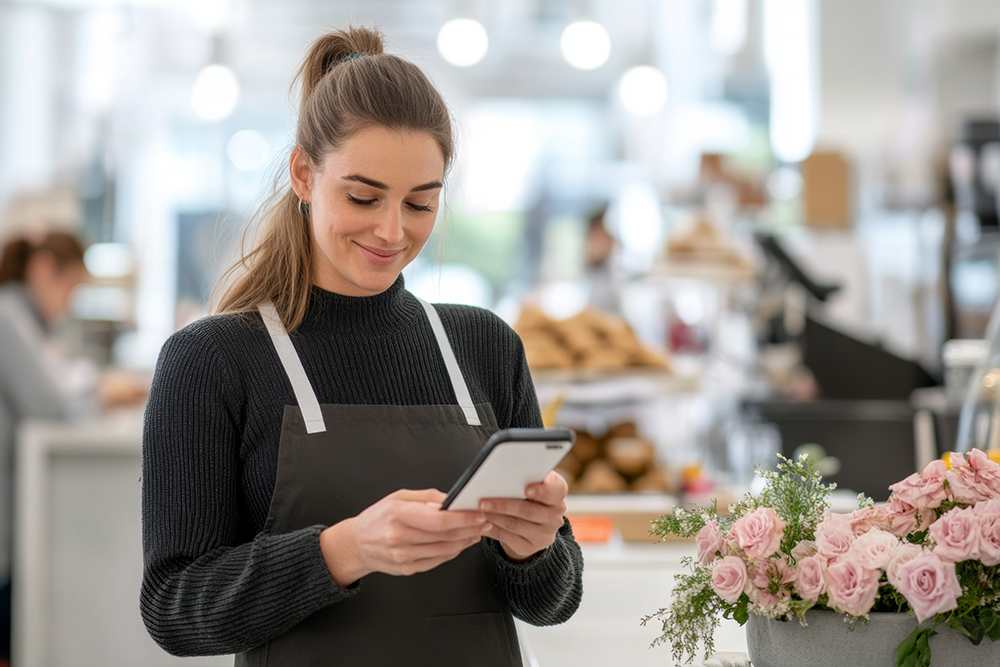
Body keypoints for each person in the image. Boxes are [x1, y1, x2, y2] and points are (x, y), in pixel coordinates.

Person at [140, 26, 583, 666]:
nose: (392, 230)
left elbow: (553, 602)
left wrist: (534, 547)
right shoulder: (213, 362)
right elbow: (173, 608)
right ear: (302, 174)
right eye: (362, 196)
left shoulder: (483, 346)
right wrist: (345, 551)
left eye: (421, 203)